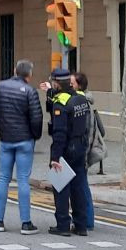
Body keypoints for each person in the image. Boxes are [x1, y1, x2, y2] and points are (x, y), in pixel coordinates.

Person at [0, 59, 43, 234]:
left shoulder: (0, 87)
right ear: (29, 75)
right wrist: (35, 136)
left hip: (6, 139)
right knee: (23, 180)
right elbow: (36, 118)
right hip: (25, 140)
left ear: (14, 70)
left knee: (3, 178)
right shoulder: (30, 91)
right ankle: (26, 223)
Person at [46, 68, 94, 237]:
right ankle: (81, 225)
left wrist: (55, 157)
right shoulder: (80, 98)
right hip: (80, 146)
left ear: (57, 83)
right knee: (78, 186)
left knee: (61, 186)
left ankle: (63, 225)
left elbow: (59, 133)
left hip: (66, 148)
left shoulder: (61, 103)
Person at [75, 71, 102, 231]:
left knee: (82, 186)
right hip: (80, 151)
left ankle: (87, 220)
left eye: (72, 83)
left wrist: (84, 155)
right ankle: (84, 218)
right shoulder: (81, 102)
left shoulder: (84, 105)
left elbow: (89, 132)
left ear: (79, 86)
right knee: (81, 185)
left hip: (81, 152)